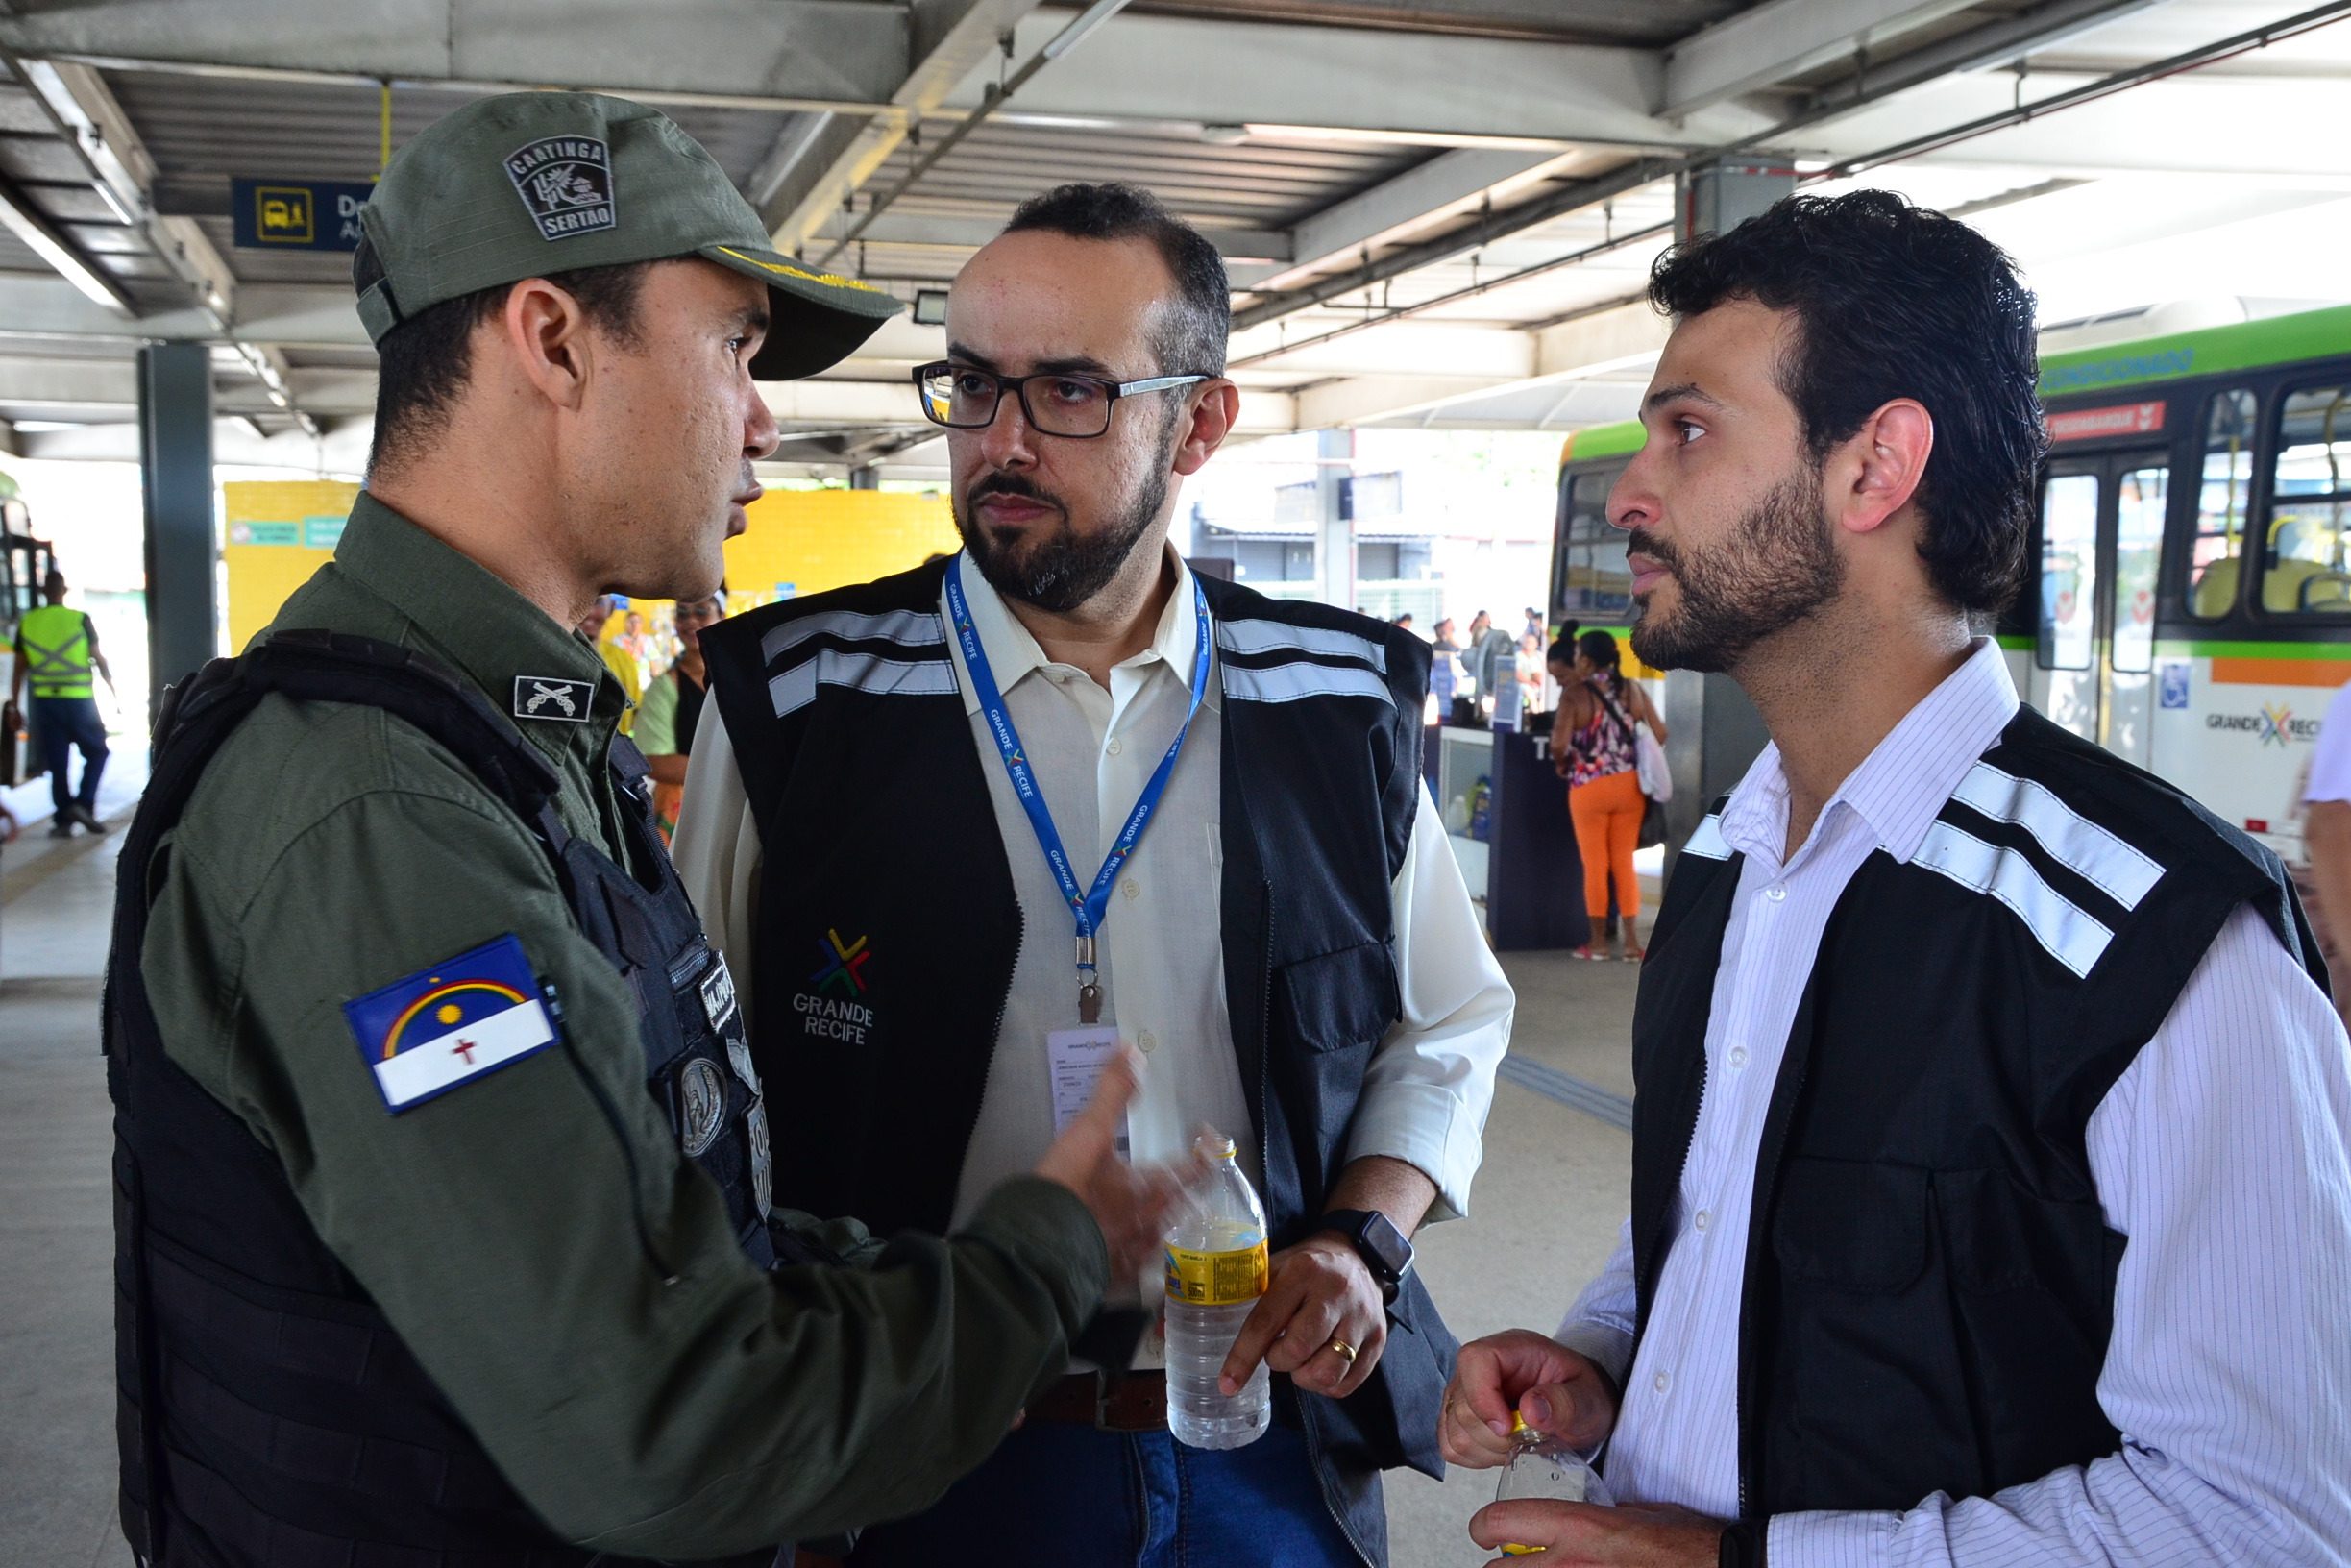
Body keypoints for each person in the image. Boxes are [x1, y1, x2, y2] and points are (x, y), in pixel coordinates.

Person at [108, 92, 1184, 1568]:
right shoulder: (381, 813)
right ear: (551, 342)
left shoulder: (520, 743)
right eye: (734, 349)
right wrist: (1041, 1257)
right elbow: (665, 1434)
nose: (764, 419)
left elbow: (668, 1226)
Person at [1441, 190, 2351, 1565]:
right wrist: (1605, 1358)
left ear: (1874, 468)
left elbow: (2262, 1517)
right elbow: (1718, 1219)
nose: (1631, 492)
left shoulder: (2152, 947)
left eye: (1686, 431)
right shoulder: (1727, 862)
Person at [677, 181, 1514, 1567]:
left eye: (1069, 391)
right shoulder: (798, 699)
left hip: (1260, 1441)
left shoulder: (1333, 701)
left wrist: (1362, 1240)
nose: (998, 442)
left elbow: (1446, 1022)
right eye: (970, 386)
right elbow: (693, 1102)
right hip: (921, 1454)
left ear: (1199, 421)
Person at [1550, 628, 1664, 962]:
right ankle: (1631, 945)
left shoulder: (1575, 695)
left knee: (1595, 865)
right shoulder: (1633, 690)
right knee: (1623, 863)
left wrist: (1564, 763)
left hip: (1589, 787)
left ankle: (1598, 943)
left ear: (1585, 660)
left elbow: (1558, 743)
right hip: (1630, 788)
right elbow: (1661, 732)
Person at [10, 568, 114, 835]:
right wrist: (112, 688)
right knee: (98, 752)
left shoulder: (28, 622)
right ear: (64, 591)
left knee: (58, 762)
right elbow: (98, 658)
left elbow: (19, 668)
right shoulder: (80, 619)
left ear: (43, 592)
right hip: (79, 701)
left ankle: (63, 819)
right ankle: (83, 803)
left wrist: (14, 706)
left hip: (45, 703)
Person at [635, 586, 725, 842]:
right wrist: (735, 773)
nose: (691, 621)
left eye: (701, 611)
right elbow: (655, 759)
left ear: (723, 617)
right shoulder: (665, 687)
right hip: (685, 813)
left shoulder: (742, 680)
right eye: (682, 614)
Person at [578, 593, 644, 734]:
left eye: (597, 602)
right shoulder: (546, 654)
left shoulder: (624, 660)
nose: (588, 611)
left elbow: (636, 715)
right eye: (578, 599)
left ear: (612, 608)